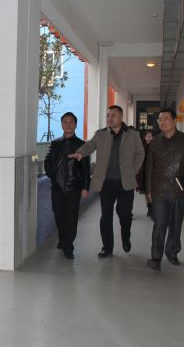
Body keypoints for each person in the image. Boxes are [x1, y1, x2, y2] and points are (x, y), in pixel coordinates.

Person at [69, 105, 144, 258]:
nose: (110, 118)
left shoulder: (132, 134)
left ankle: (126, 237)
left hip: (125, 183)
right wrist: (80, 153)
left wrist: (133, 171)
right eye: (108, 115)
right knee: (106, 216)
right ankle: (107, 247)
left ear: (121, 117)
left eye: (113, 115)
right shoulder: (101, 134)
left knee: (125, 214)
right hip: (106, 183)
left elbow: (140, 153)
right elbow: (90, 145)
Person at [145, 108, 184, 271]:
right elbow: (149, 167)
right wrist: (148, 190)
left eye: (166, 119)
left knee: (176, 223)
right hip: (159, 189)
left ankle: (172, 252)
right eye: (160, 119)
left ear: (175, 121)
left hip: (178, 189)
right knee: (159, 223)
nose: (162, 122)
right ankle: (156, 258)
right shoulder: (155, 142)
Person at [44, 112, 90, 259]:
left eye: (71, 122)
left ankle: (68, 247)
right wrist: (53, 177)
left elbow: (86, 168)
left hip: (74, 188)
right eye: (65, 122)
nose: (68, 124)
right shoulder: (55, 143)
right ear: (62, 124)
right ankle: (63, 238)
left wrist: (85, 187)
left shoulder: (82, 145)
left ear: (75, 125)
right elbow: (47, 162)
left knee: (71, 218)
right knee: (59, 216)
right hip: (57, 188)